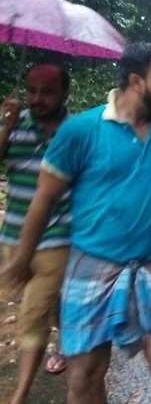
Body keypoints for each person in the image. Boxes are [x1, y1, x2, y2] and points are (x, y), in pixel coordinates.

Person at [0, 43, 151, 404]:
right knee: (84, 377)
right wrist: (22, 255)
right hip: (92, 264)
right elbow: (42, 199)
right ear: (137, 81)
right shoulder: (80, 131)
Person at [0, 61, 71, 404]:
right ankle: (66, 338)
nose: (37, 99)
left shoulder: (77, 132)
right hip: (13, 236)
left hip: (56, 238)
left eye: (47, 92)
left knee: (32, 315)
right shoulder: (16, 124)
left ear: (64, 94)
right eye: (31, 91)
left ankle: (19, 396)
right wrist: (6, 127)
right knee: (49, 303)